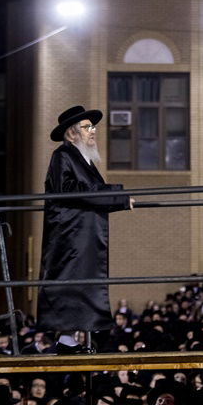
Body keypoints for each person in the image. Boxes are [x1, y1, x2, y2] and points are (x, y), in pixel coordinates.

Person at [38, 106, 133, 351]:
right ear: (71, 133)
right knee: (71, 283)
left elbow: (89, 194)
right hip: (69, 235)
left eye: (93, 127)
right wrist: (119, 198)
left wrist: (119, 199)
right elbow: (73, 192)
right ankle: (66, 341)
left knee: (81, 283)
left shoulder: (81, 158)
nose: (93, 132)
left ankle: (70, 340)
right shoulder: (63, 155)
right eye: (87, 127)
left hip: (80, 233)